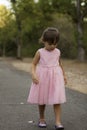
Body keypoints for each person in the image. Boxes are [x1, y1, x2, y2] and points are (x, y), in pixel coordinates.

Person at [27, 27, 67, 130]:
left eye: (55, 44)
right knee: (42, 100)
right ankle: (42, 119)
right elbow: (33, 64)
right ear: (44, 41)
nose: (53, 46)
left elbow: (60, 64)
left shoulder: (58, 52)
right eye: (50, 44)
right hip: (43, 78)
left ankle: (58, 122)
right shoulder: (40, 52)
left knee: (57, 100)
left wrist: (64, 75)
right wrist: (33, 74)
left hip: (55, 78)